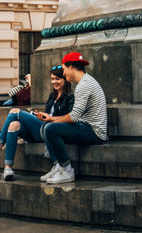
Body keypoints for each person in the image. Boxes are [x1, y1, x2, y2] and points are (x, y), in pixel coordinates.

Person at [0, 65, 74, 181]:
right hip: (42, 129)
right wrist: (39, 115)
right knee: (13, 125)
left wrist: (50, 118)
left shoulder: (69, 97)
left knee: (14, 112)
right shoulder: (52, 96)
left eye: (57, 79)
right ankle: (8, 169)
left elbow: (68, 118)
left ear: (65, 80)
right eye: (52, 79)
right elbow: (47, 115)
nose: (54, 82)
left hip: (52, 131)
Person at [38, 52, 108, 184]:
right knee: (45, 127)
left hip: (94, 132)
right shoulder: (85, 81)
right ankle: (58, 166)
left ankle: (67, 170)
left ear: (71, 67)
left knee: (51, 129)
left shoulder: (84, 85)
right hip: (87, 127)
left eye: (64, 69)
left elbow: (74, 117)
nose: (63, 73)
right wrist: (51, 119)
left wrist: (52, 119)